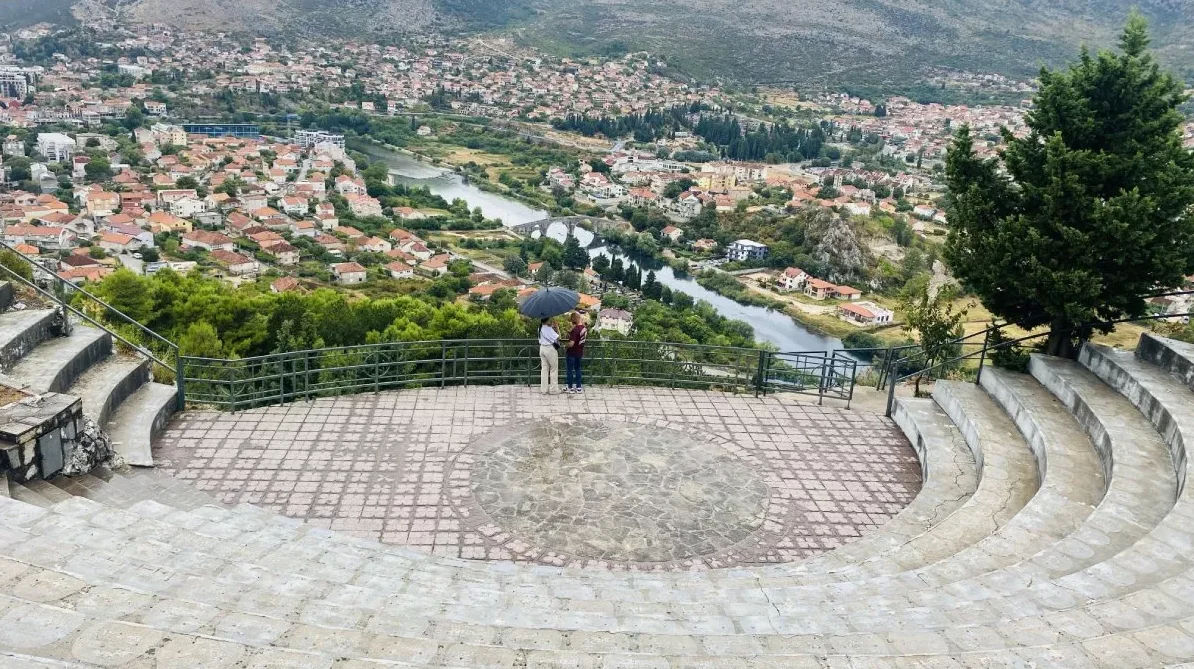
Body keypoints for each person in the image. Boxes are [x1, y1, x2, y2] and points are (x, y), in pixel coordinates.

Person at [565, 311, 587, 394]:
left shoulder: (575, 330)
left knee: (569, 370)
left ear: (575, 318)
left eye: (571, 318)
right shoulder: (584, 328)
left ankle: (570, 387)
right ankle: (578, 387)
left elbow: (571, 344)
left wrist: (565, 346)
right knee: (578, 369)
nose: (571, 320)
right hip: (580, 352)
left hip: (572, 353)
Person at [538, 317, 560, 395]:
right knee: (554, 368)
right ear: (547, 320)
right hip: (549, 349)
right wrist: (557, 327)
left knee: (544, 369)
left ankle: (544, 389)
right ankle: (553, 389)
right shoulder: (548, 329)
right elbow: (557, 337)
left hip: (542, 348)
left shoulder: (539, 328)